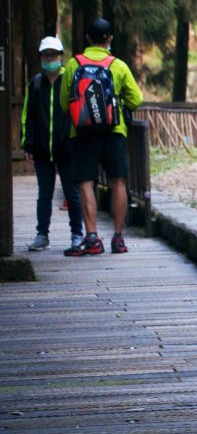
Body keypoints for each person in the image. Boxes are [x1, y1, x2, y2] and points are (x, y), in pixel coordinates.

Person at [60, 18, 144, 256]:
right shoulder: (118, 65)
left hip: (83, 133)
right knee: (118, 181)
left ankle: (92, 237)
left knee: (86, 182)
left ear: (88, 38)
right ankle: (118, 238)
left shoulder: (73, 65)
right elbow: (136, 99)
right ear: (109, 39)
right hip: (114, 131)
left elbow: (65, 103)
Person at [21, 36, 83, 252]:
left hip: (66, 147)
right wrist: (28, 143)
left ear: (61, 56)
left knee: (72, 193)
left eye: (53, 55)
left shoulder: (71, 79)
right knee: (44, 194)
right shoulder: (36, 83)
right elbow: (29, 114)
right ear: (41, 57)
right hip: (41, 148)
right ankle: (42, 235)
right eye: (46, 55)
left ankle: (77, 234)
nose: (50, 59)